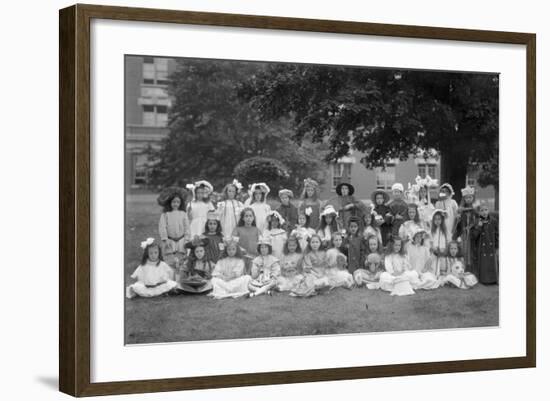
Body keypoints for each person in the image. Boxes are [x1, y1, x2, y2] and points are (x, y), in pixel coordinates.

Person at [158, 191, 190, 266]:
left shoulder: (183, 213)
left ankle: (180, 275)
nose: (175, 204)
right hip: (169, 240)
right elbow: (162, 227)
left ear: (180, 203)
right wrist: (165, 239)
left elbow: (187, 227)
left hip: (181, 240)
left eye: (178, 202)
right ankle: (170, 275)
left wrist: (187, 239)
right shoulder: (165, 214)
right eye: (173, 202)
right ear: (170, 202)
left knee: (181, 260)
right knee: (169, 260)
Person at [471, 203, 499, 284]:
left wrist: (497, 246)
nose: (484, 212)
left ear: (489, 210)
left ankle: (493, 280)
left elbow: (497, 234)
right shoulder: (477, 221)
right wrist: (478, 227)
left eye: (486, 210)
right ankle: (484, 280)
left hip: (491, 246)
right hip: (481, 248)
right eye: (482, 210)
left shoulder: (493, 221)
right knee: (484, 264)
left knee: (492, 263)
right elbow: (473, 236)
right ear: (479, 212)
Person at [453, 186, 478, 272]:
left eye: (470, 197)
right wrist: (458, 219)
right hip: (463, 234)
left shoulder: (475, 210)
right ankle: (462, 269)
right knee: (463, 251)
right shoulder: (461, 210)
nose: (468, 199)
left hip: (472, 234)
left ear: (472, 198)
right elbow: (457, 224)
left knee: (471, 252)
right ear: (464, 199)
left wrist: (473, 226)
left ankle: (471, 270)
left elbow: (477, 221)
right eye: (466, 198)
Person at [428, 209, 450, 277]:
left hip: (443, 253)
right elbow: (430, 242)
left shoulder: (445, 231)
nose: (437, 221)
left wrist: (445, 249)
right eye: (435, 219)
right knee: (435, 270)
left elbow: (448, 241)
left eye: (439, 219)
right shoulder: (431, 231)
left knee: (443, 268)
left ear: (442, 220)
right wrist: (433, 248)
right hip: (435, 253)